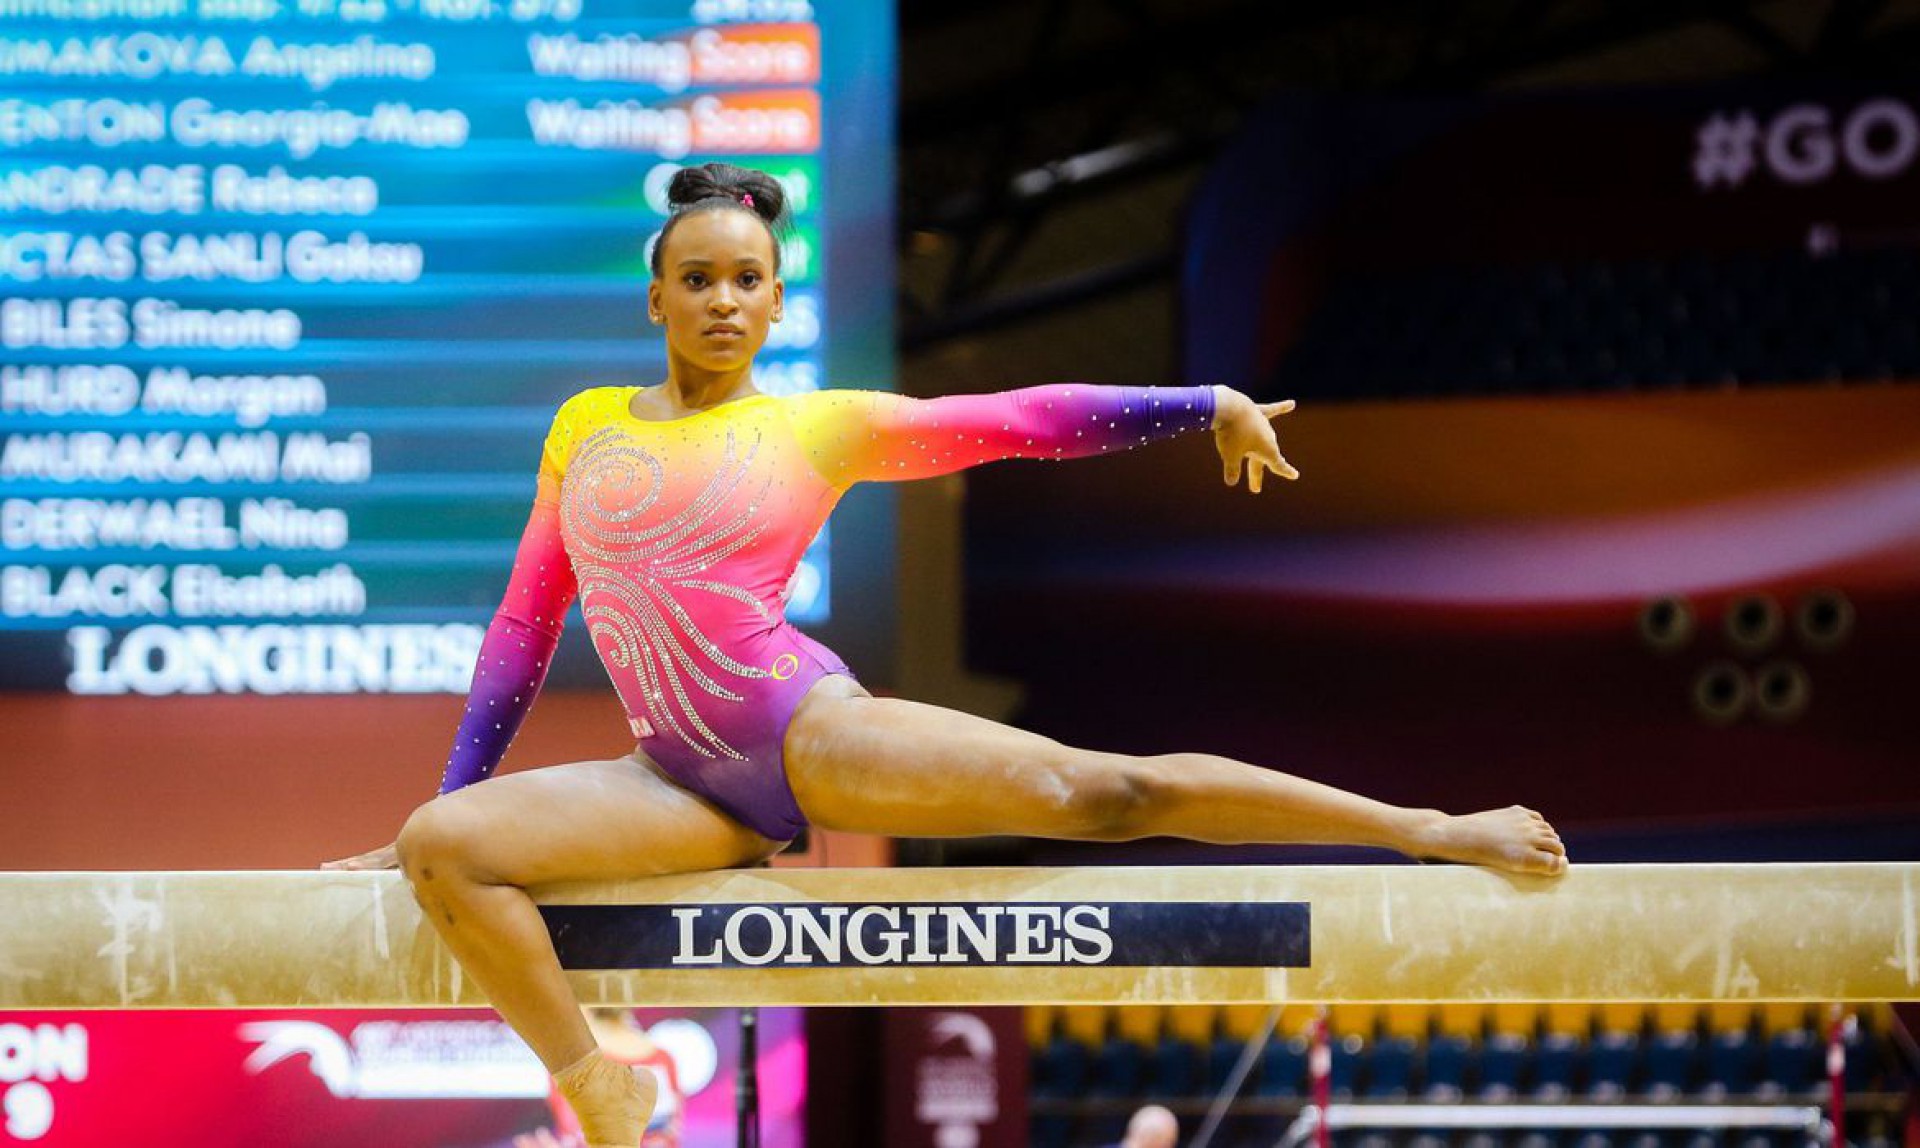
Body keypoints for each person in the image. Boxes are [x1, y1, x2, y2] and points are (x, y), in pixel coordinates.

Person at [322, 162, 1567, 1148]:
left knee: (1105, 792)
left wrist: (1199, 405)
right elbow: (524, 627)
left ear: (772, 299)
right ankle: (600, 1082)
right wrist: (448, 790)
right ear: (656, 296)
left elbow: (1014, 421)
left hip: (807, 735)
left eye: (744, 281)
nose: (719, 301)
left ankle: (1423, 823)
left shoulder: (816, 428)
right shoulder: (582, 431)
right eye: (695, 279)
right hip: (669, 780)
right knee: (447, 845)